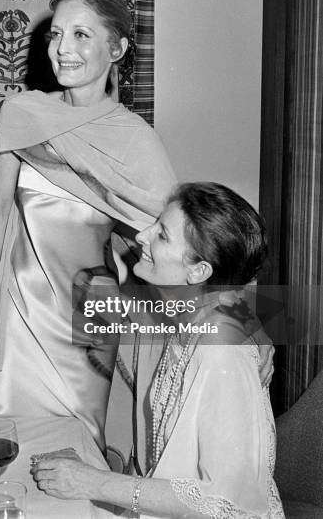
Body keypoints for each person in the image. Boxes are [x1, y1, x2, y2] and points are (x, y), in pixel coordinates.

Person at [0, 0, 177, 451]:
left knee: (79, 446)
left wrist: (243, 327)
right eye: (56, 34)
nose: (62, 49)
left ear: (117, 48)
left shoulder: (136, 138)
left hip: (90, 316)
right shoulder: (21, 113)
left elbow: (180, 237)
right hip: (18, 307)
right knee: (9, 441)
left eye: (82, 35)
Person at [31, 182, 285, 518]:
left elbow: (227, 503)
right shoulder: (188, 316)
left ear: (198, 271)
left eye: (162, 234)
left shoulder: (219, 351)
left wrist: (93, 483)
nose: (141, 237)